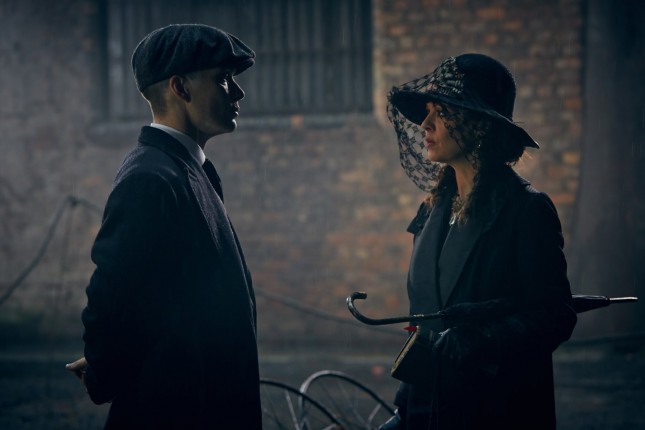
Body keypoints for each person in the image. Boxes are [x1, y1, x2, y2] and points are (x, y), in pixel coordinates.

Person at [65, 24, 262, 429]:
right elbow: (112, 298)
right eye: (224, 79)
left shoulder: (186, 169)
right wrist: (103, 369)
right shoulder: (150, 178)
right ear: (180, 87)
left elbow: (164, 297)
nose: (238, 93)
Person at [378, 53, 577, 429]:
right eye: (427, 112)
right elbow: (424, 317)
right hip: (426, 410)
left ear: (480, 125)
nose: (425, 124)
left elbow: (556, 314)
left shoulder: (526, 210)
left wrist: (482, 338)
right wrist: (405, 410)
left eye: (441, 113)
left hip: (494, 411)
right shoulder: (431, 210)